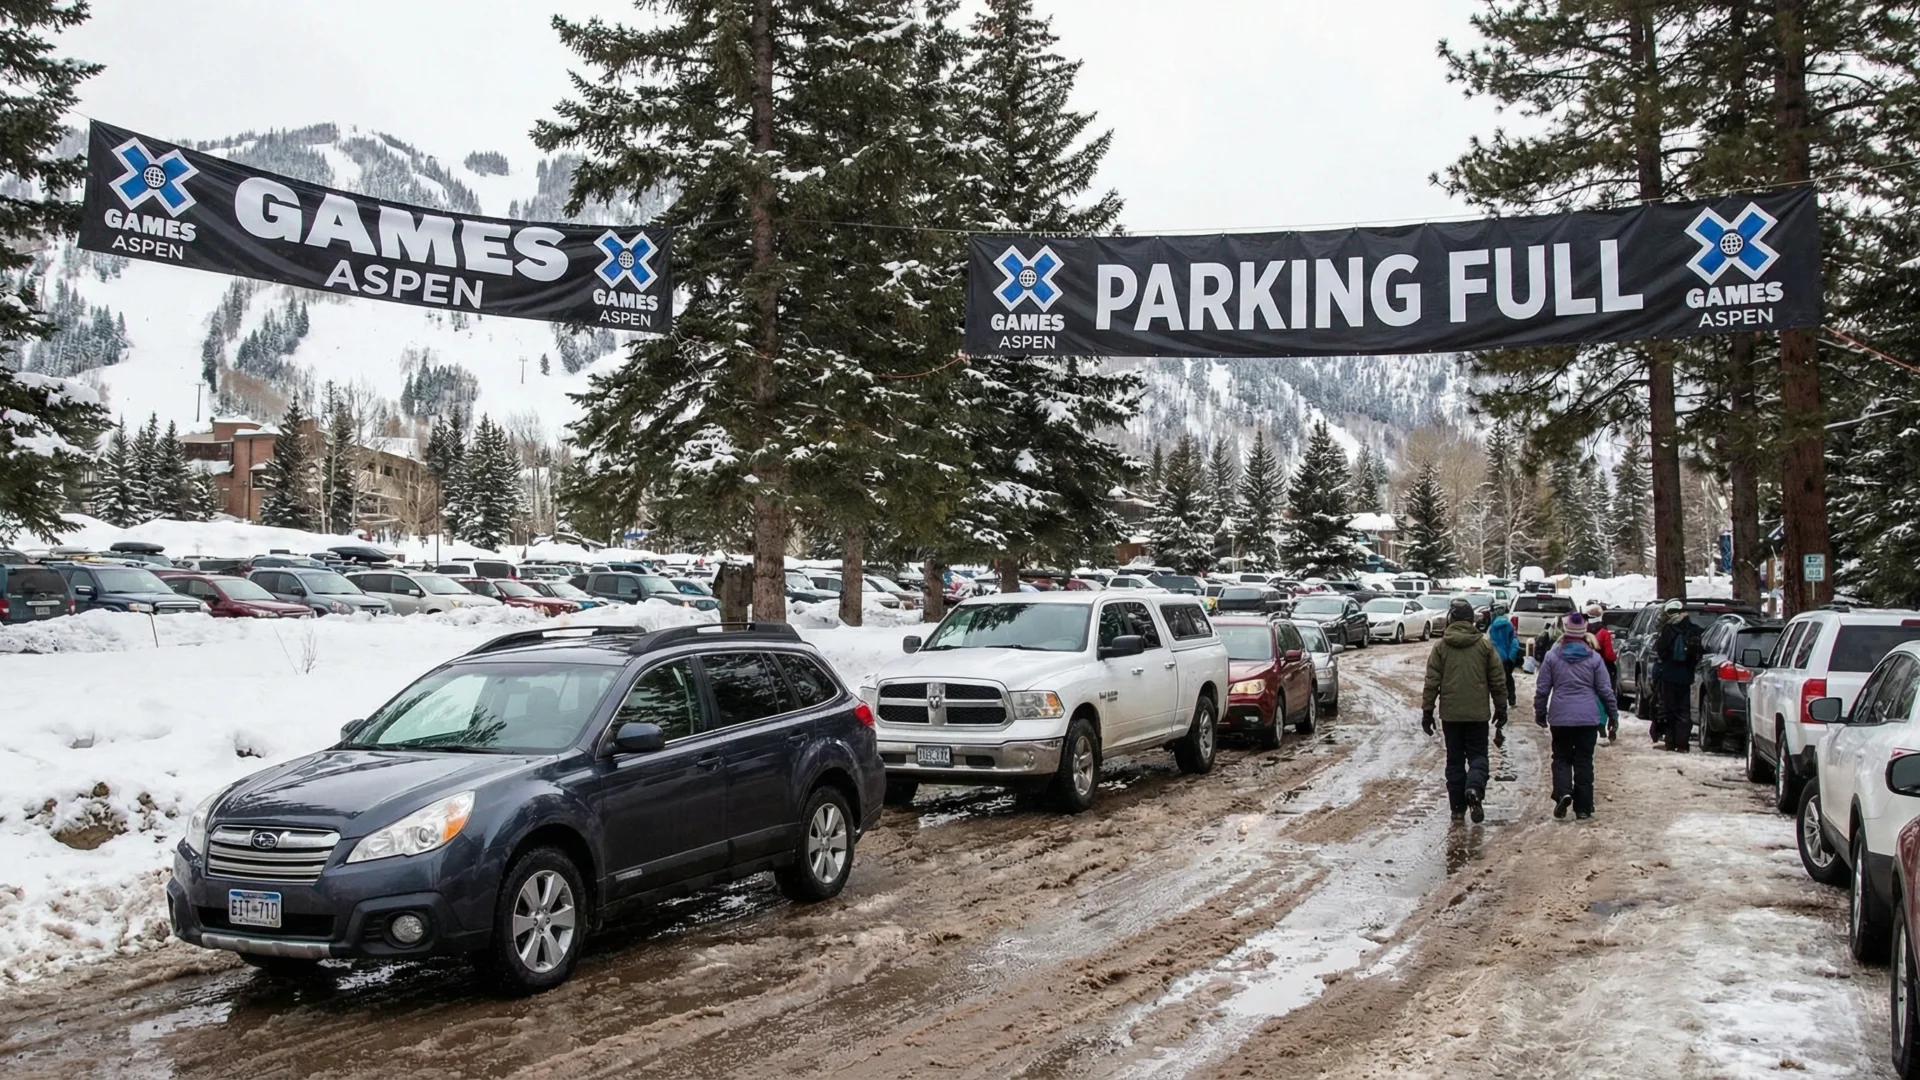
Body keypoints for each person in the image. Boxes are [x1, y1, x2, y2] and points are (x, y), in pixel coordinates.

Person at [1422, 598, 1508, 823]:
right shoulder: (1484, 645)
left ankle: (1457, 808)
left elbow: (1432, 681)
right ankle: (1474, 789)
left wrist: (1427, 711)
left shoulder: (1441, 647)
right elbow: (1497, 680)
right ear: (1471, 620)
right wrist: (1501, 707)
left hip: (1450, 715)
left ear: (1451, 619)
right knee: (1478, 755)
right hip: (1478, 714)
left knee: (1455, 760)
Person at [1534, 611, 1620, 820]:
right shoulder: (1594, 659)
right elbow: (1605, 690)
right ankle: (1583, 807)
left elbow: (1543, 688)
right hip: (1587, 718)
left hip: (1561, 717)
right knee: (1584, 760)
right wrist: (1612, 716)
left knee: (1561, 758)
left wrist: (1540, 712)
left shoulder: (1552, 656)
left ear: (1565, 630)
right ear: (1584, 632)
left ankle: (1563, 792)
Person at [1651, 598, 1702, 751]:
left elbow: (1661, 650)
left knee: (1669, 708)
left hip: (1669, 675)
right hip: (1686, 676)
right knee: (1683, 709)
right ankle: (1682, 743)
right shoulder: (1694, 629)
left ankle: (1670, 741)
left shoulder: (1668, 630)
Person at [1488, 603, 1522, 708]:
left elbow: (1489, 642)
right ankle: (1511, 700)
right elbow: (1514, 642)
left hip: (1495, 656)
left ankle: (1499, 703)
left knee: (1496, 681)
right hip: (1507, 657)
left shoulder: (1492, 627)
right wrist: (1512, 657)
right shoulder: (1509, 625)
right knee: (1508, 679)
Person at [1586, 602, 1619, 691]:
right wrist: (1615, 657)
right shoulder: (1604, 632)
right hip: (1600, 667)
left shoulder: (1583, 630)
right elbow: (1608, 655)